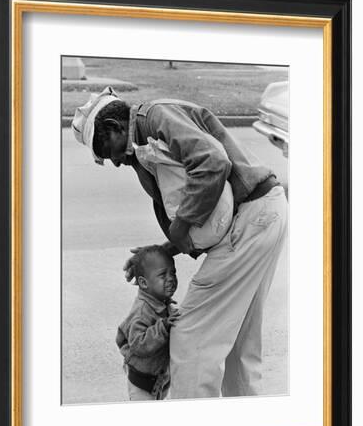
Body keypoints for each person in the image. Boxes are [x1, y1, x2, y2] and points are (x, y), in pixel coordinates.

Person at [72, 86, 288, 398]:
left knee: (191, 339)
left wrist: (181, 226)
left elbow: (212, 163)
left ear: (115, 128)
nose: (116, 161)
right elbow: (200, 217)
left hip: (251, 220)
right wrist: (164, 249)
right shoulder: (144, 139)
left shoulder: (155, 116)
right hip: (263, 215)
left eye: (109, 151)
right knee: (239, 344)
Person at [115, 245, 179, 401]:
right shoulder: (142, 311)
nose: (170, 279)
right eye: (163, 275)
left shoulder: (161, 302)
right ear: (144, 283)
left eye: (173, 273)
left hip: (159, 379)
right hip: (142, 384)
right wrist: (162, 327)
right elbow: (138, 344)